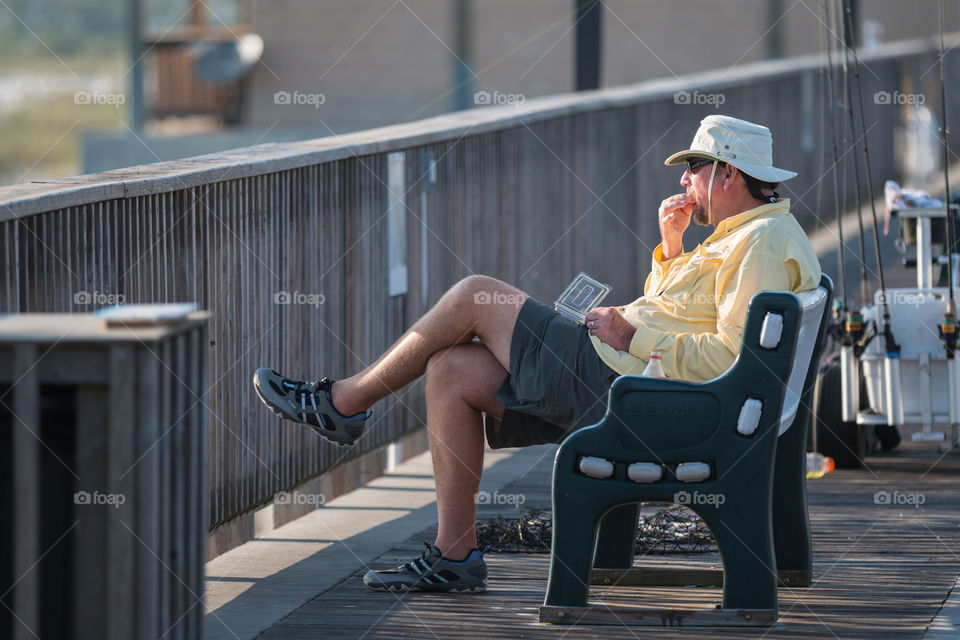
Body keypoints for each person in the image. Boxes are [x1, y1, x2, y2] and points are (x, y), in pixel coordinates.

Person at [252, 114, 821, 594]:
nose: (687, 181)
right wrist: (671, 253)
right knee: (450, 368)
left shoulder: (761, 244)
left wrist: (629, 336)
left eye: (694, 168)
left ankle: (341, 404)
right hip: (628, 379)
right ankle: (455, 556)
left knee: (478, 293)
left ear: (726, 173)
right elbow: (685, 318)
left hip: (636, 396)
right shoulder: (743, 234)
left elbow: (732, 357)